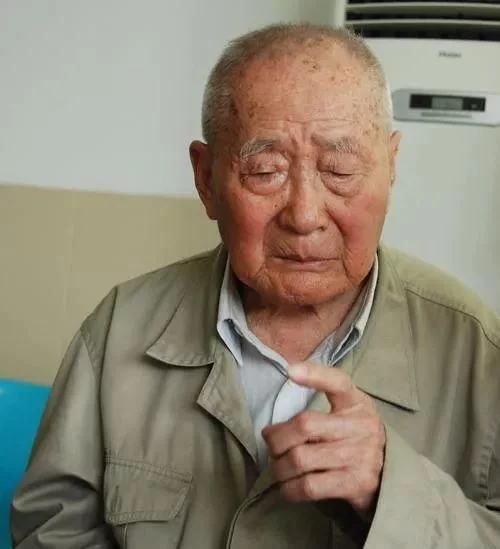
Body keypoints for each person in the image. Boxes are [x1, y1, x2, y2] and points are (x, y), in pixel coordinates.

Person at [11, 22, 500, 548]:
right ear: (206, 179)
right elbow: (51, 526)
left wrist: (393, 492)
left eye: (339, 170)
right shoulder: (122, 327)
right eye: (266, 171)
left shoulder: (476, 351)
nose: (305, 216)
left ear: (392, 166)